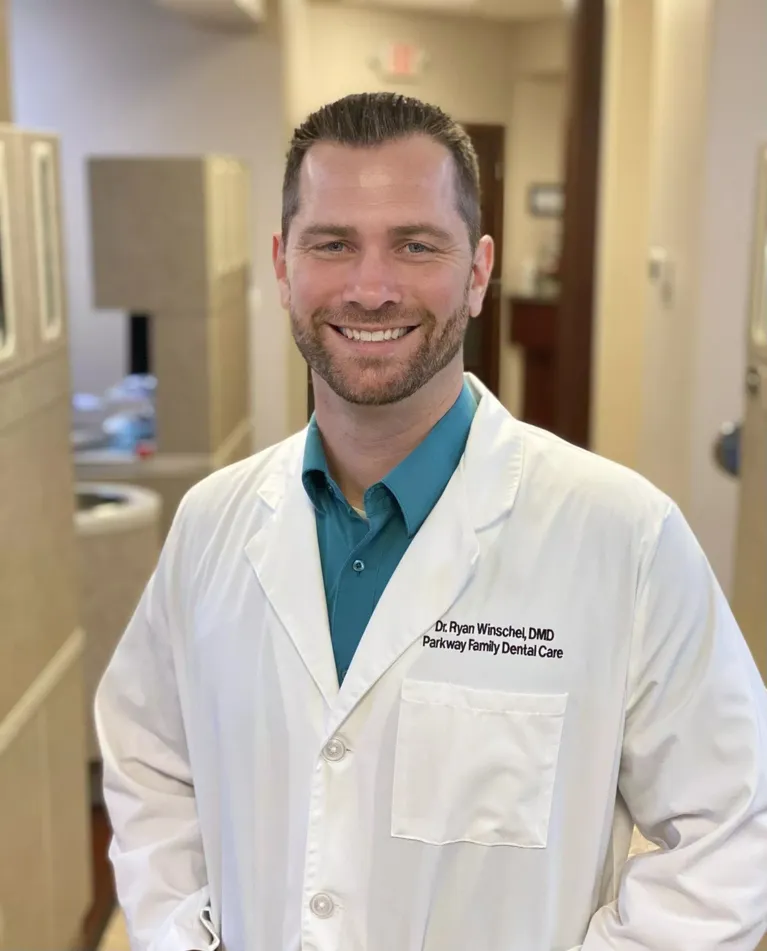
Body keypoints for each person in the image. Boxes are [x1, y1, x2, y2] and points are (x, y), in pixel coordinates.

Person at [95, 92, 767, 951]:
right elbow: (149, 758)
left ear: (478, 272)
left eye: (415, 245)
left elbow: (732, 823)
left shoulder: (622, 535)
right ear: (282, 266)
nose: (371, 288)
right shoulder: (211, 524)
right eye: (332, 244)